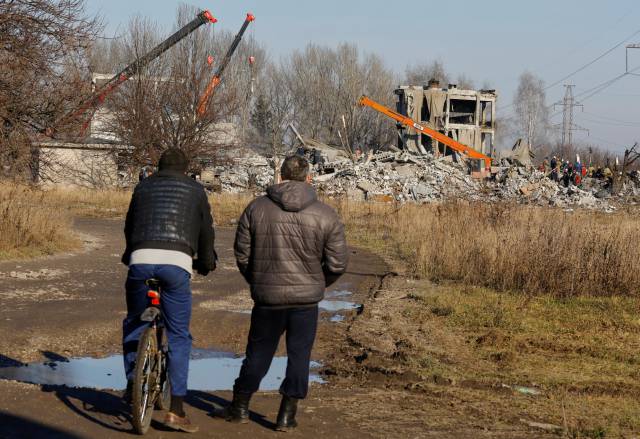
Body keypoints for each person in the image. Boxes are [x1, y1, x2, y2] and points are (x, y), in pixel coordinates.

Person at [227, 155, 348, 431]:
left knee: (258, 353)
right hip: (305, 301)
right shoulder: (326, 214)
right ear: (309, 178)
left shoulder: (256, 209)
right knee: (299, 356)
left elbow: (242, 254)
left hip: (268, 297)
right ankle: (286, 415)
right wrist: (317, 282)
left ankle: (240, 406)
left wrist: (258, 280)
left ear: (280, 177)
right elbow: (338, 263)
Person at [122, 148, 216, 433]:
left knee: (135, 321)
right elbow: (206, 232)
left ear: (158, 167)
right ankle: (176, 410)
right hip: (176, 264)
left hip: (140, 260)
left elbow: (129, 225)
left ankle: (132, 382)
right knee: (178, 335)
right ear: (186, 169)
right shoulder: (195, 190)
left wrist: (131, 253)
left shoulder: (143, 186)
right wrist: (206, 262)